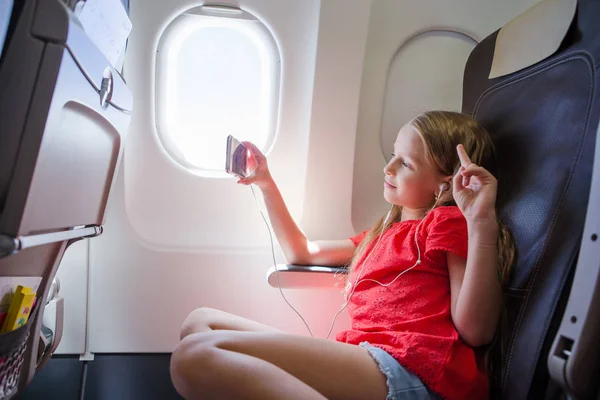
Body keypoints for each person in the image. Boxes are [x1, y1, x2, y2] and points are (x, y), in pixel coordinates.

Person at [170, 111, 515, 400]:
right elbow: (301, 252)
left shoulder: (445, 222)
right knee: (199, 322)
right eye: (392, 154)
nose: (388, 167)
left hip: (414, 369)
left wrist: (481, 221)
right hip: (369, 358)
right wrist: (265, 182)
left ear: (445, 183)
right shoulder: (380, 235)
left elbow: (476, 331)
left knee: (195, 357)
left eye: (406, 163)